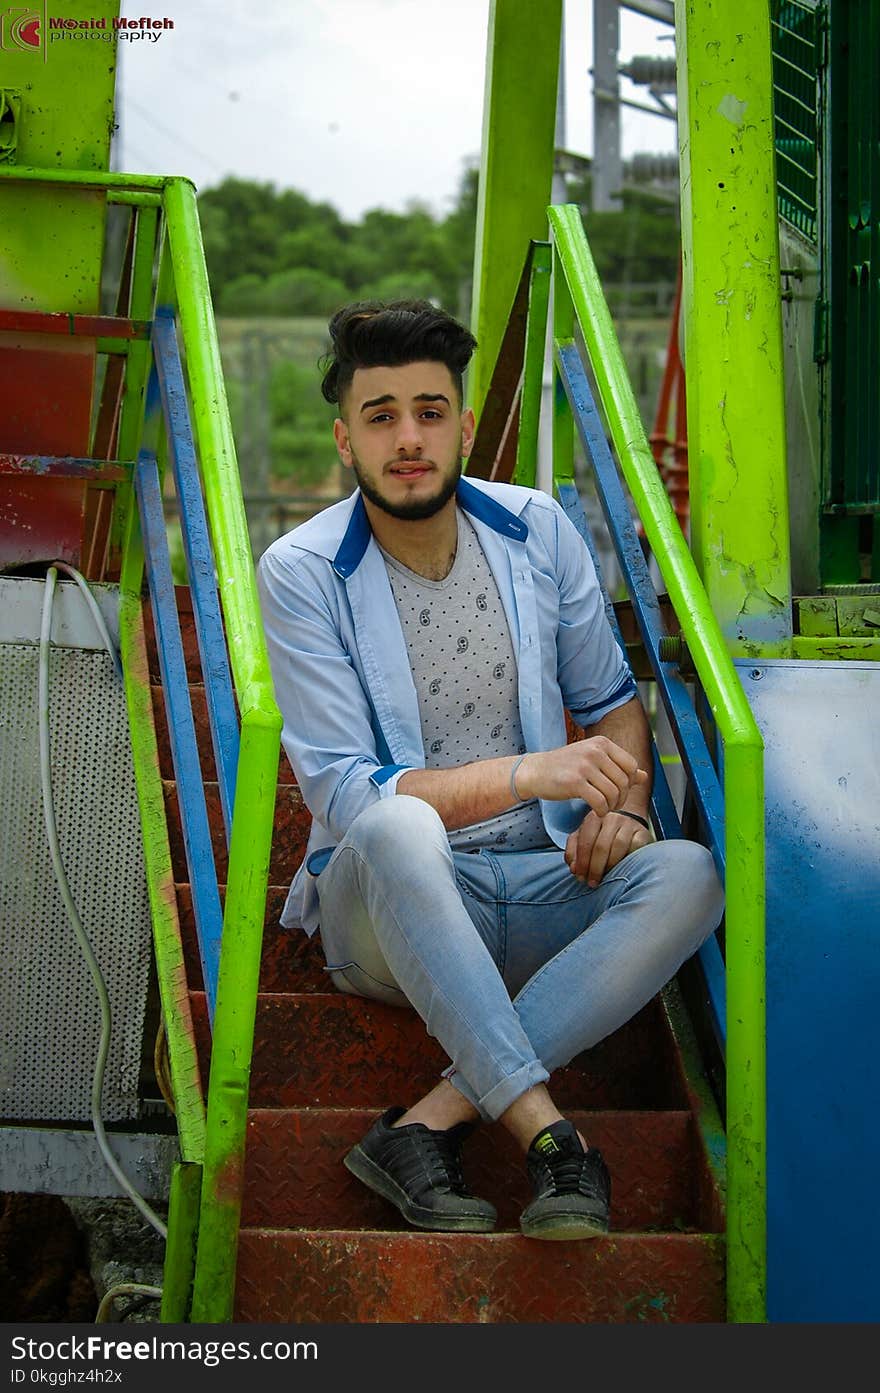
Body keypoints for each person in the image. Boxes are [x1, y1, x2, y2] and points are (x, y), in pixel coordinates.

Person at [257, 299, 724, 1241]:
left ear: (466, 427)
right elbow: (350, 795)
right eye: (381, 415)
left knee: (690, 872)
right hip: (394, 911)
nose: (410, 437)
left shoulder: (537, 530)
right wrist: (529, 773)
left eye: (431, 410)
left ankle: (427, 1126)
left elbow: (611, 701)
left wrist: (623, 805)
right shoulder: (302, 570)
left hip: (550, 884)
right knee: (395, 822)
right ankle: (551, 1139)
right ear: (345, 441)